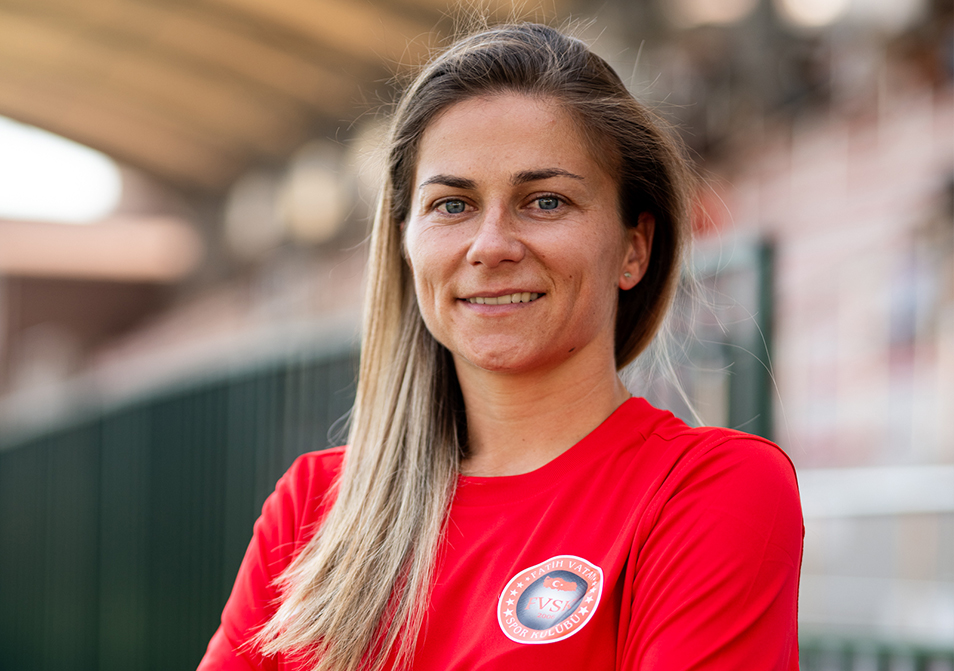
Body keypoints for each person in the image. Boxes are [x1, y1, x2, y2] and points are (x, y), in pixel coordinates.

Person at [198, 22, 803, 671]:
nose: (490, 246)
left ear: (635, 247)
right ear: (405, 244)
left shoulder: (708, 492)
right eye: (452, 205)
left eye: (545, 201)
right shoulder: (313, 508)